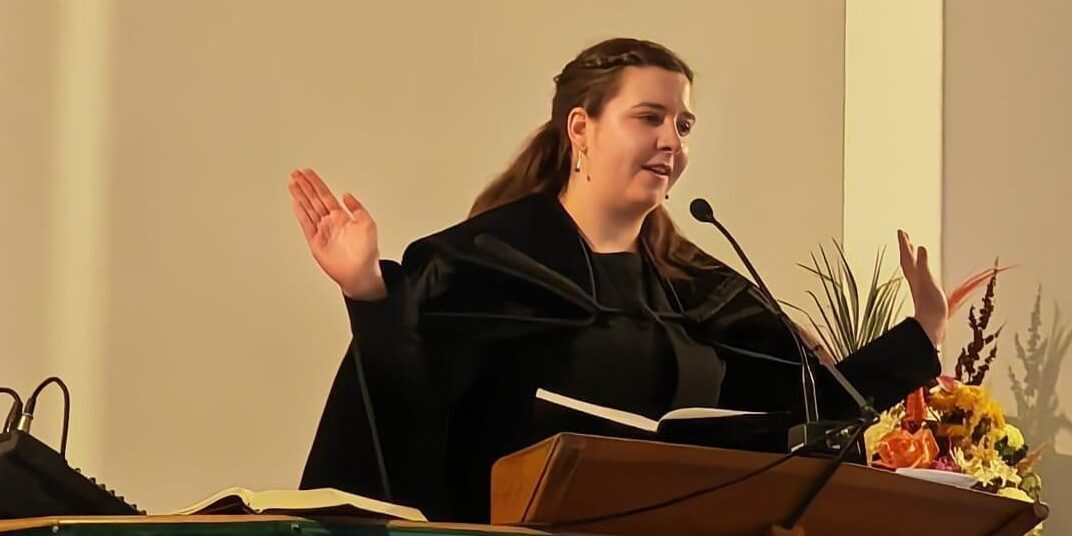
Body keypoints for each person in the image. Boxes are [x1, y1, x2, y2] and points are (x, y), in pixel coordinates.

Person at [288, 37, 946, 523]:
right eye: (650, 117)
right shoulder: (481, 264)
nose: (672, 141)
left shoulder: (703, 291)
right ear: (581, 128)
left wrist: (919, 338)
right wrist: (368, 291)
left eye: (683, 124)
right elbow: (408, 413)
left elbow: (808, 414)